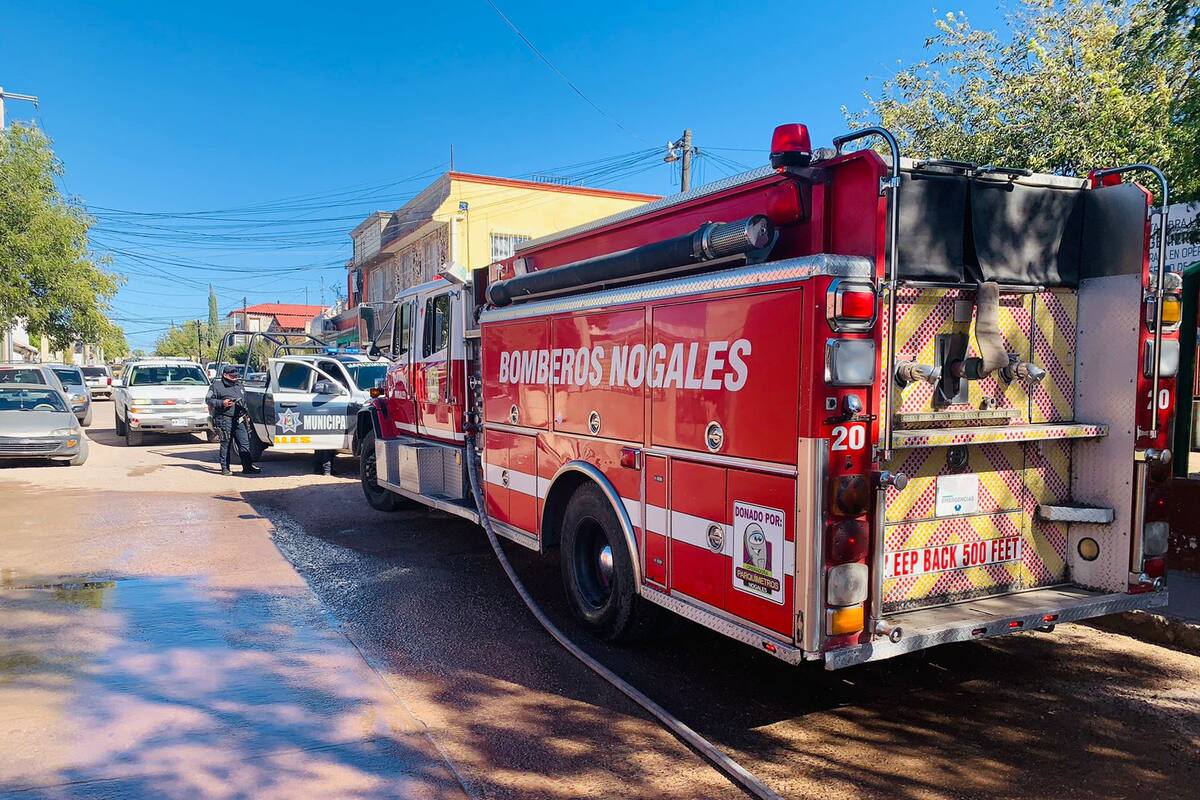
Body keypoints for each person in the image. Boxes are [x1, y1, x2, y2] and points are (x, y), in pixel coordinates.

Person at [206, 364, 261, 476]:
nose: (235, 378)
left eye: (236, 376)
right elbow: (208, 400)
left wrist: (247, 414)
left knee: (244, 443)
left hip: (239, 419)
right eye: (232, 376)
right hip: (224, 418)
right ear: (225, 375)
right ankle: (225, 468)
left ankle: (247, 467)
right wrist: (222, 403)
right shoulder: (216, 386)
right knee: (226, 443)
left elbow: (244, 401)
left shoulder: (239, 385)